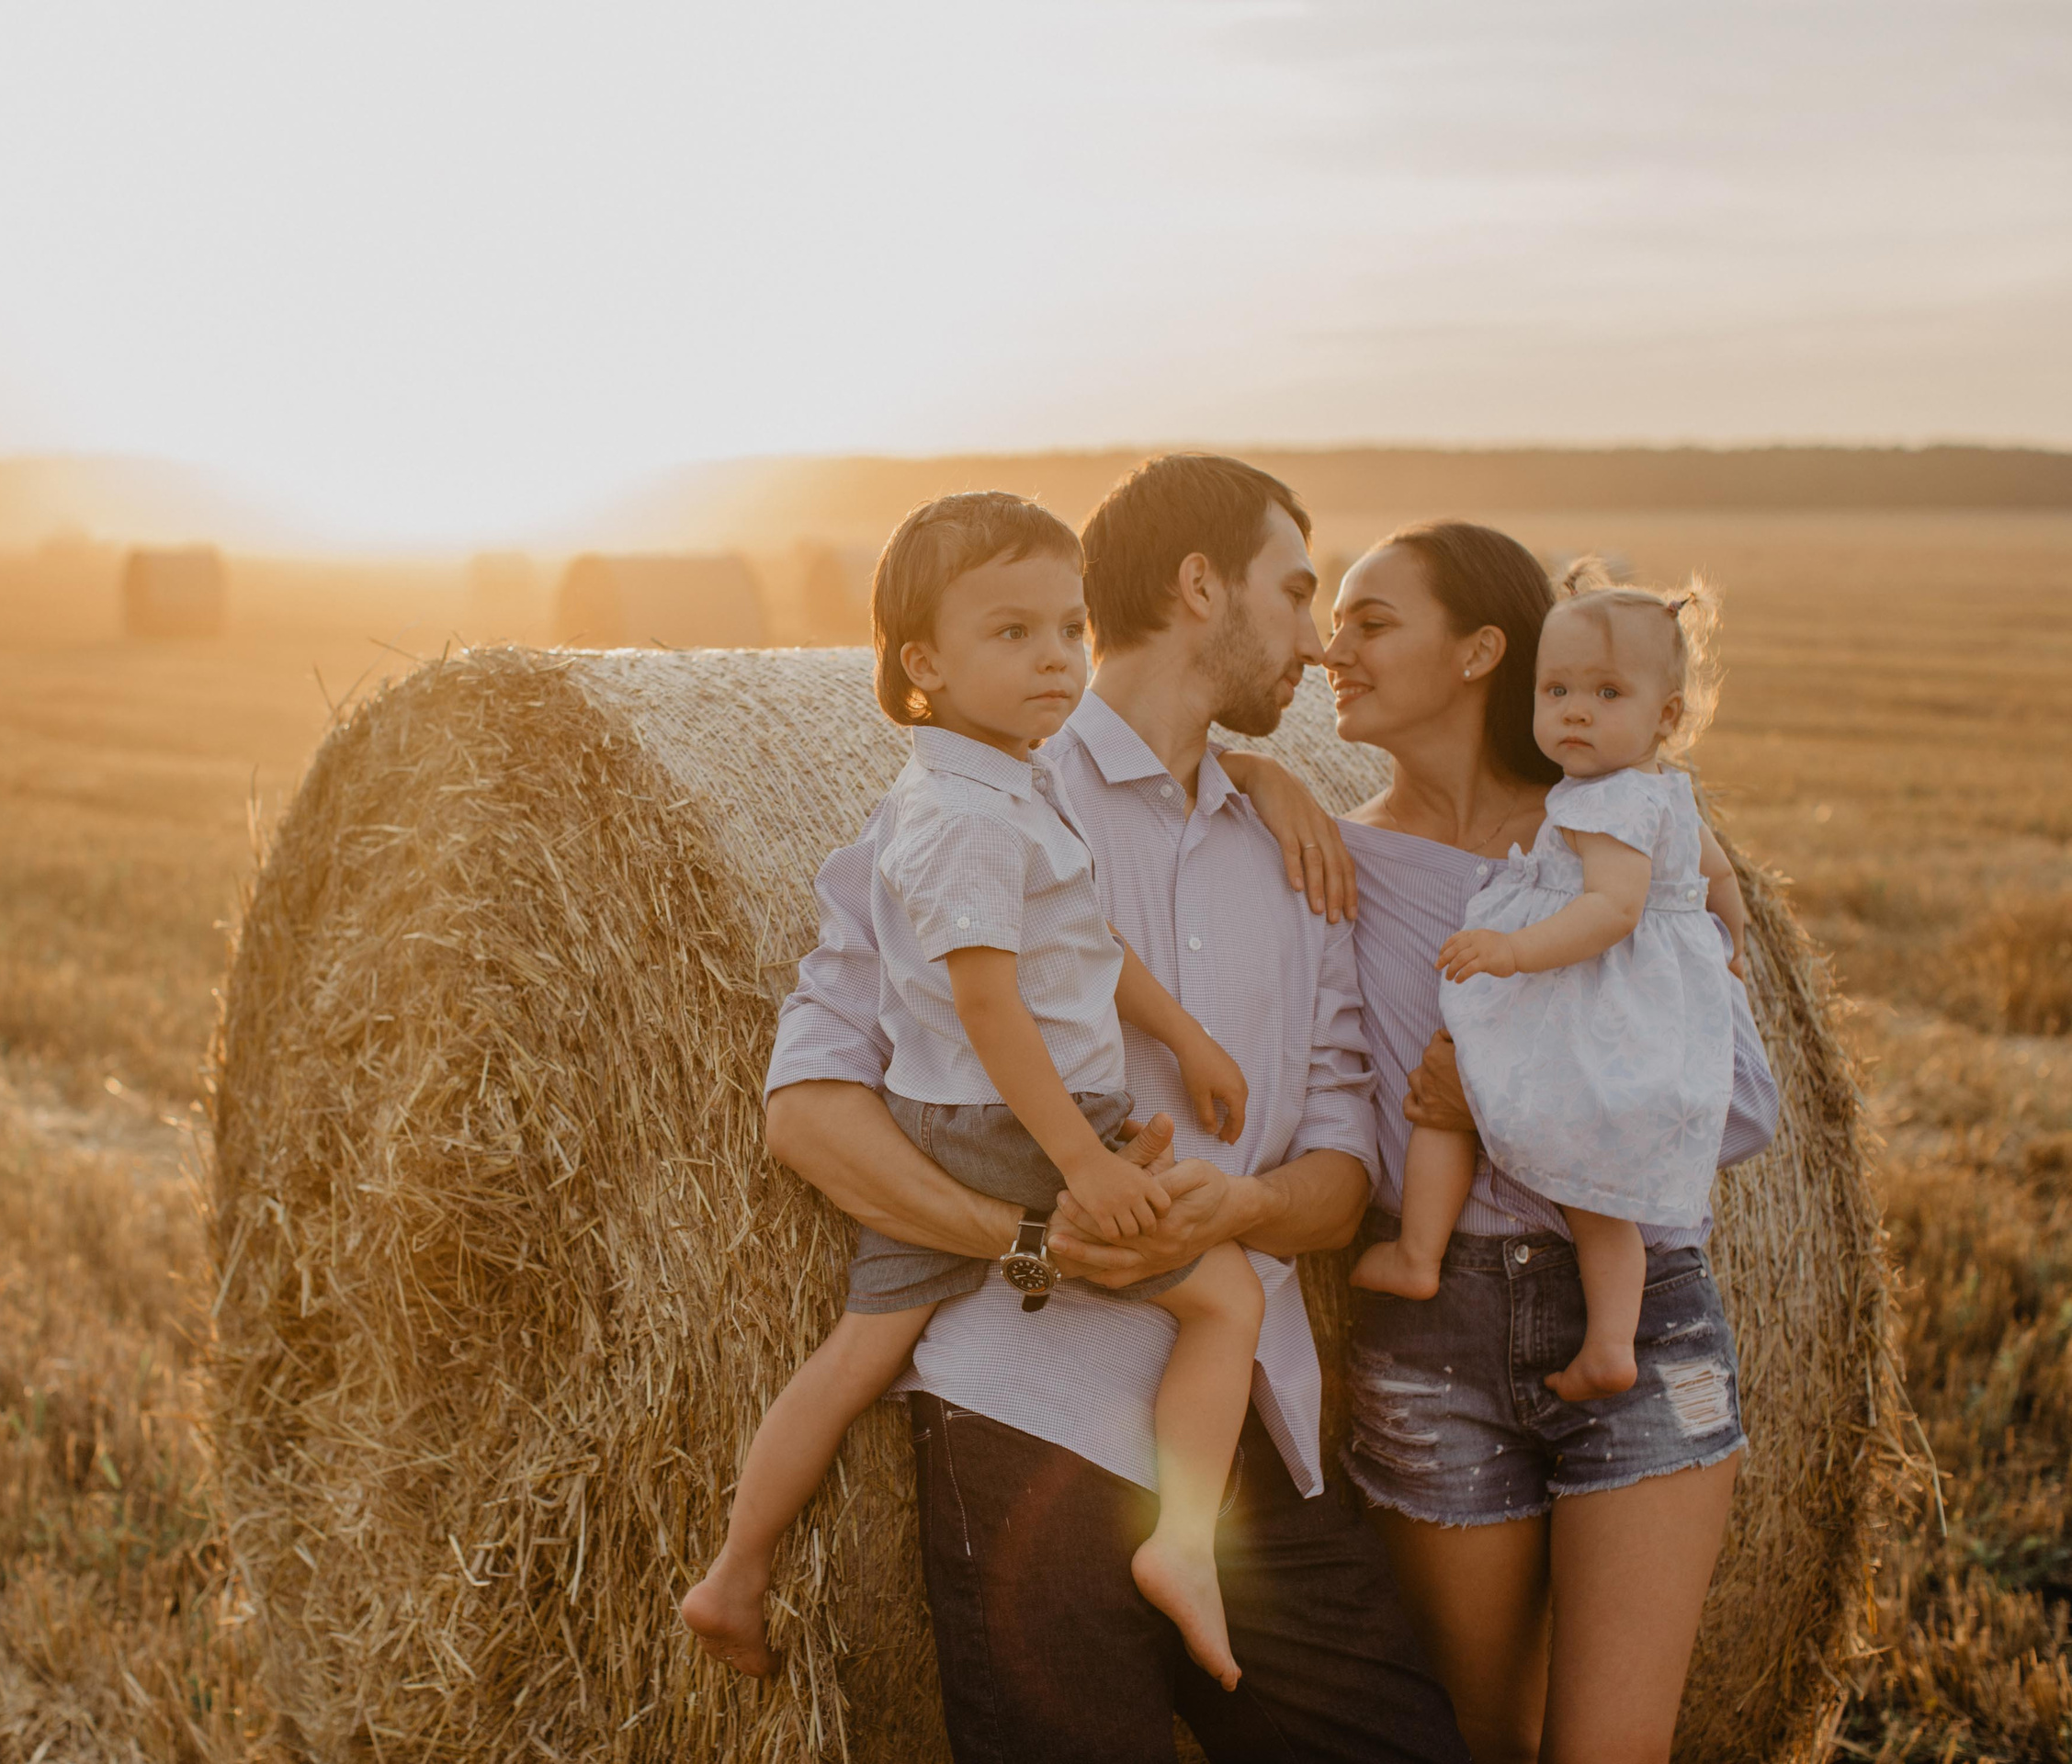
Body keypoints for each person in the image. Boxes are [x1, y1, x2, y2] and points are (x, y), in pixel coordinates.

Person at [761, 455, 1469, 1764]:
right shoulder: (980, 794)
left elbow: (1343, 1157)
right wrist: (1034, 1238)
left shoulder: (1297, 856)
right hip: (1033, 1414)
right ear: (1201, 586)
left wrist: (1248, 1203)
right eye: (1297, 591)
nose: (1318, 645)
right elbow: (807, 1112)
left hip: (1246, 1432)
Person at [681, 492, 1265, 1689]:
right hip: (1015, 1135)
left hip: (947, 1130)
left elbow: (1084, 941)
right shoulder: (969, 818)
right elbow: (992, 1008)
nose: (1055, 656)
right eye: (1013, 634)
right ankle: (1189, 1548)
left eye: (1069, 629)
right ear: (924, 664)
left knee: (852, 1361)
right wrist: (1088, 1163)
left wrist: (1182, 1030)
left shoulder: (994, 783)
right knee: (1227, 1299)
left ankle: (732, 1574)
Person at [1223, 522, 1780, 1764]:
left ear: (1482, 650)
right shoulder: (1323, 863)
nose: (1329, 649)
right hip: (1434, 1345)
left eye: (1371, 622)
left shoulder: (1619, 857)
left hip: (1636, 1326)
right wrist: (1254, 777)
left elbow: (1734, 1105)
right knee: (1483, 1744)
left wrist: (1502, 1101)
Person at [1349, 567, 1748, 1403]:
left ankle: (1424, 1253)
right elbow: (1717, 872)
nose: (1575, 711)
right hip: (1608, 1008)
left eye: (1606, 693)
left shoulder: (1604, 808)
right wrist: (1733, 942)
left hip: (1569, 987)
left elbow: (1611, 908)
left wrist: (1513, 950)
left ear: (1667, 716)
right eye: (1557, 689)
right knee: (1593, 1192)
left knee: (1451, 1082)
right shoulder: (1661, 797)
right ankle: (1605, 1340)